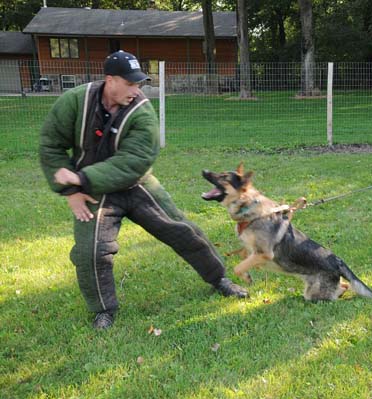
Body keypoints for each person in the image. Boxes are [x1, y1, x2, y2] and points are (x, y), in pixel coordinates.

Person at [39, 50, 248, 330]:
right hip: (94, 191)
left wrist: (80, 179)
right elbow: (50, 144)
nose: (137, 90)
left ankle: (219, 279)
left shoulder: (142, 111)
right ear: (110, 80)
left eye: (140, 83)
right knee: (91, 251)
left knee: (182, 230)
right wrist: (70, 192)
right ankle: (104, 310)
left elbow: (134, 161)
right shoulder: (75, 101)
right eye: (131, 84)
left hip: (136, 184)